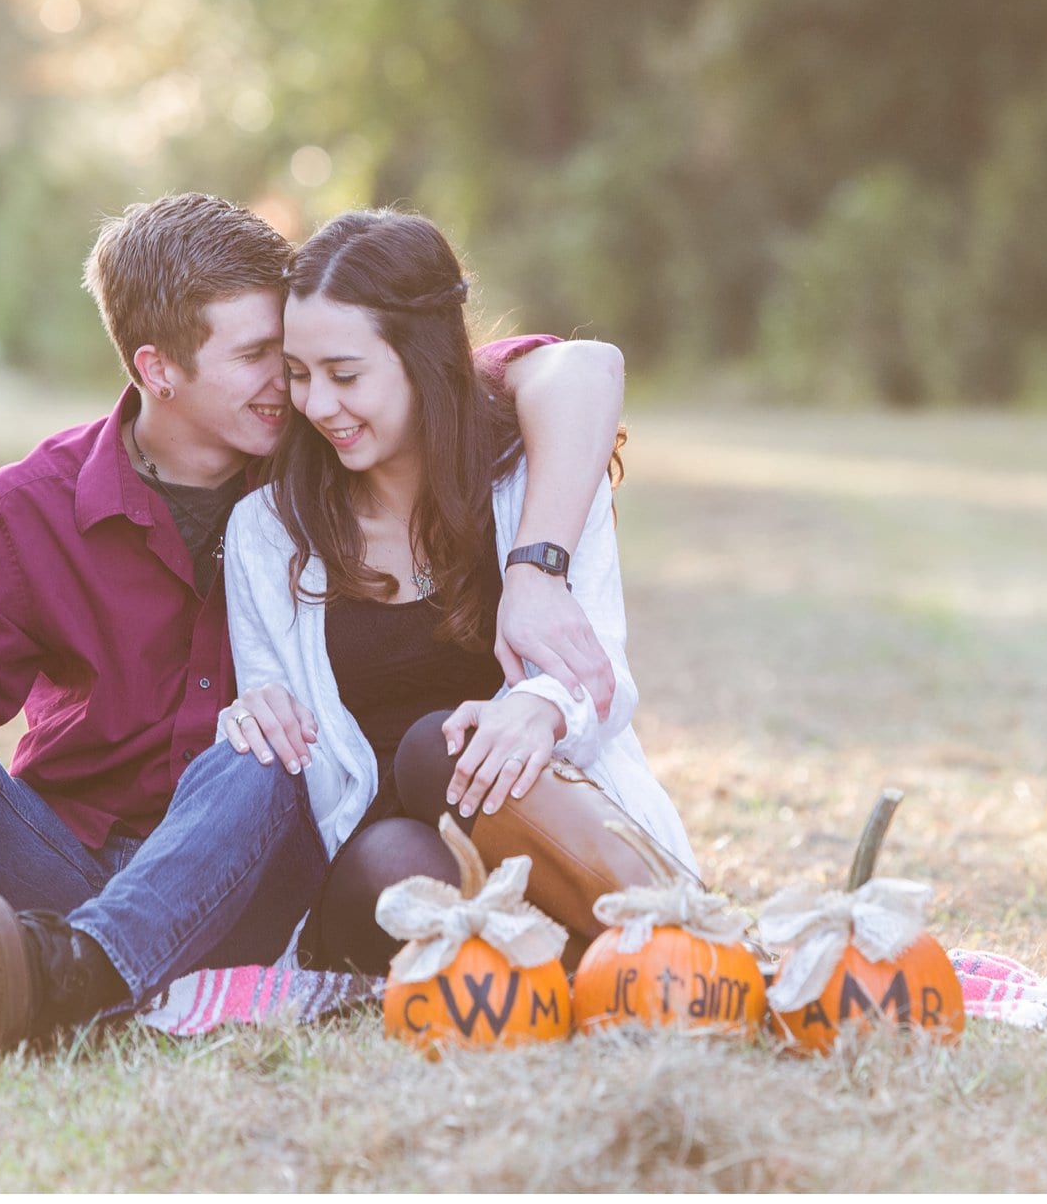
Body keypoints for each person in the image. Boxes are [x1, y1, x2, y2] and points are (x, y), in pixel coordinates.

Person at [0, 192, 631, 1052]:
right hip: (48, 888)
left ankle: (85, 978)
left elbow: (554, 372)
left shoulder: (328, 442)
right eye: (260, 358)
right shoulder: (24, 512)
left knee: (260, 751)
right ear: (158, 369)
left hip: (244, 876)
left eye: (292, 356)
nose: (293, 386)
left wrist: (536, 569)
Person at [220, 208, 694, 974]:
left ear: (424, 354)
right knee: (395, 832)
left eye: (345, 375)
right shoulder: (270, 529)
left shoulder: (537, 482)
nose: (316, 406)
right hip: (380, 854)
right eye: (299, 375)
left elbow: (598, 664)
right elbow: (275, 718)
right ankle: (623, 965)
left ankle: (679, 947)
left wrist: (536, 708)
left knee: (439, 748)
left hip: (535, 819)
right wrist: (251, 714)